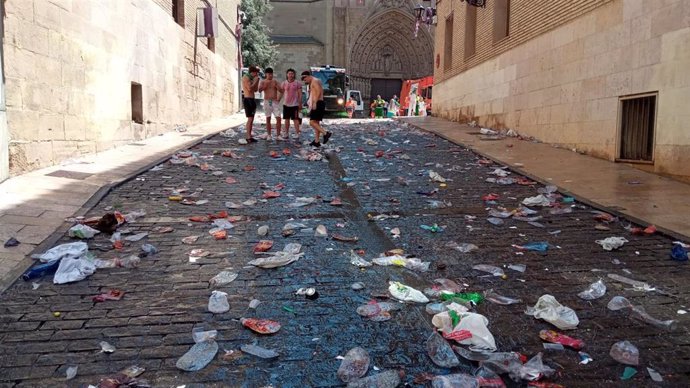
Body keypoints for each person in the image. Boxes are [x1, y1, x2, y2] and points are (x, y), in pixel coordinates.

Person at [301, 70, 332, 147]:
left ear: (307, 76)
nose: (305, 81)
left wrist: (314, 102)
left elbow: (318, 91)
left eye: (305, 79)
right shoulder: (316, 81)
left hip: (317, 103)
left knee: (312, 122)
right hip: (319, 102)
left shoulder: (314, 81)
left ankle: (325, 133)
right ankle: (317, 141)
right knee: (316, 122)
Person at [258, 67, 282, 140]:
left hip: (274, 101)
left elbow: (281, 90)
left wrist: (277, 87)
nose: (270, 75)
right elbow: (259, 90)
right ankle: (269, 135)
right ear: (266, 74)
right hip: (267, 101)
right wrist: (265, 86)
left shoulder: (275, 81)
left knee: (278, 118)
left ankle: (278, 135)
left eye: (271, 74)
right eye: (269, 74)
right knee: (268, 118)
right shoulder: (263, 81)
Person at [281, 69, 303, 140]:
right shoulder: (284, 83)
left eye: (292, 74)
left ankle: (297, 133)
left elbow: (300, 94)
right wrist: (277, 100)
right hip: (286, 105)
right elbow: (281, 92)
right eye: (289, 74)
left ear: (294, 75)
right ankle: (286, 133)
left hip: (295, 105)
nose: (290, 75)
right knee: (286, 119)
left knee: (295, 119)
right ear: (287, 75)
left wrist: (300, 103)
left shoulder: (297, 83)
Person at [241, 66, 260, 142]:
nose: (257, 74)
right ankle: (248, 137)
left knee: (252, 119)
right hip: (248, 99)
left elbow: (255, 90)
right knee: (250, 119)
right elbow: (249, 88)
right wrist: (256, 81)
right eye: (256, 73)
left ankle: (250, 136)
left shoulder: (252, 79)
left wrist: (257, 81)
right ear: (253, 72)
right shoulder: (246, 77)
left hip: (252, 99)